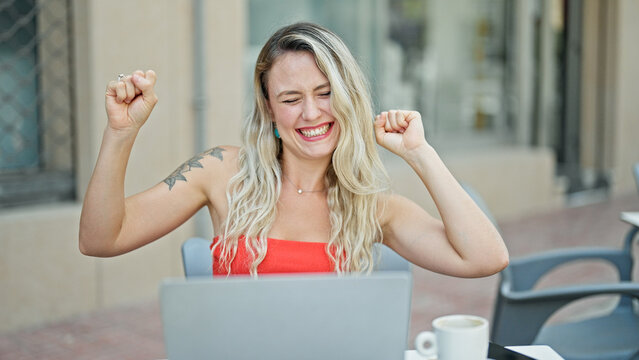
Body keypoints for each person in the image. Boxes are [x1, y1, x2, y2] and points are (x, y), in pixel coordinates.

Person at [79, 22, 508, 277]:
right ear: (269, 108)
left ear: (348, 97)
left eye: (325, 93)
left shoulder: (372, 206)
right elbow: (101, 239)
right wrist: (121, 133)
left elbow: (486, 258)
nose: (311, 113)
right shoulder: (222, 170)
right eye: (290, 99)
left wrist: (420, 154)